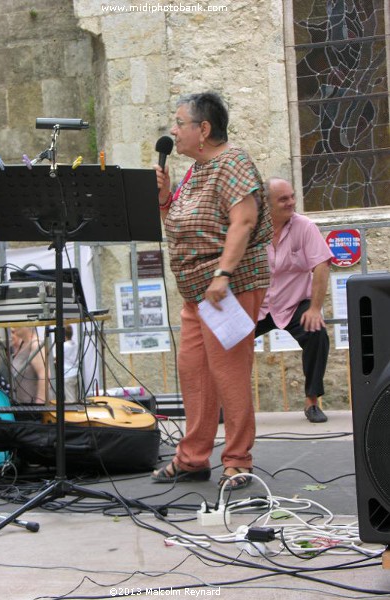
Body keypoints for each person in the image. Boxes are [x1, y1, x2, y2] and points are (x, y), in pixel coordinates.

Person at [151, 92, 273, 489]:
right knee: (194, 374)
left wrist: (222, 273)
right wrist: (164, 198)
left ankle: (238, 461)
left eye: (179, 121)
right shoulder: (196, 171)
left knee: (229, 375)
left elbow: (244, 220)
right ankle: (192, 458)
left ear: (203, 129)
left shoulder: (232, 162)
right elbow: (183, 224)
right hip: (196, 295)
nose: (173, 129)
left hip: (228, 290)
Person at [255, 177, 333, 423]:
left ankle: (312, 402)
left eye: (292, 197)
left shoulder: (305, 226)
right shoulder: (251, 228)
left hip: (294, 302)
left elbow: (321, 264)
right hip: (259, 304)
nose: (291, 202)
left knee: (316, 333)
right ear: (266, 204)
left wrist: (315, 308)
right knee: (227, 343)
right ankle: (226, 405)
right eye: (283, 199)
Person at [11, 327, 47, 405]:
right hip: (22, 404)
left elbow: (44, 376)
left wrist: (39, 405)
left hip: (32, 406)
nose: (13, 327)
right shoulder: (23, 343)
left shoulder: (35, 344)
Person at [63, 325, 79, 403]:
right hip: (75, 373)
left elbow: (58, 357)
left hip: (68, 374)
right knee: (75, 398)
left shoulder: (64, 346)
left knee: (70, 401)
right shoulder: (75, 344)